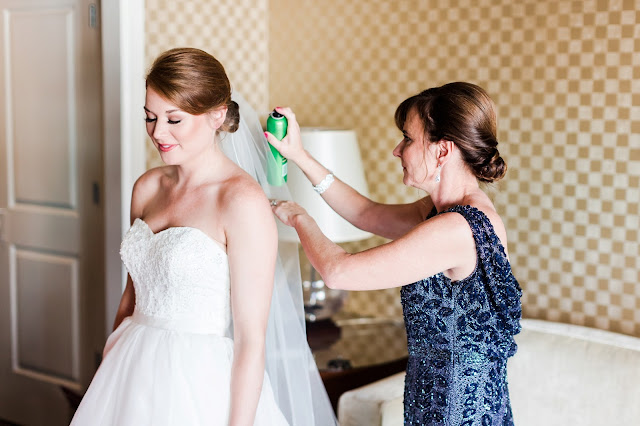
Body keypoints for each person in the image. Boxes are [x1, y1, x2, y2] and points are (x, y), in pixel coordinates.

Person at [71, 48, 335, 425]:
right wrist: (109, 372)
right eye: (150, 117)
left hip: (199, 382)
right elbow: (132, 296)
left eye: (174, 119)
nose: (158, 133)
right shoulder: (146, 188)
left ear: (217, 116)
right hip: (130, 367)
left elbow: (250, 339)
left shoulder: (240, 201)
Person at [267, 82, 522, 425]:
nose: (396, 150)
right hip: (432, 405)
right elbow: (365, 214)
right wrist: (298, 154)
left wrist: (300, 218)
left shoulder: (456, 230)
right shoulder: (444, 213)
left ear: (442, 151)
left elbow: (338, 272)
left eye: (408, 138)